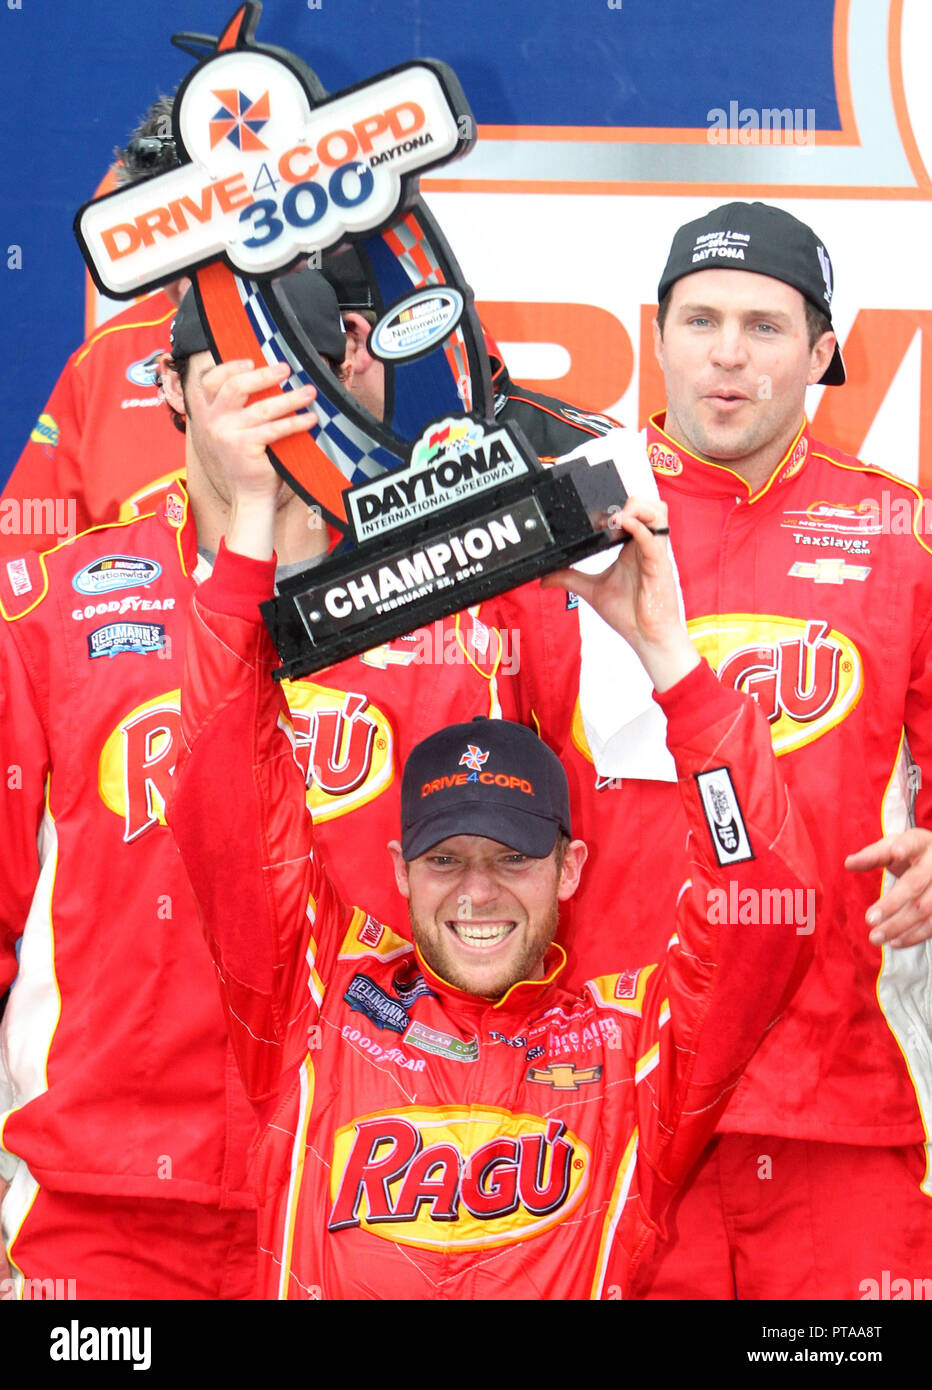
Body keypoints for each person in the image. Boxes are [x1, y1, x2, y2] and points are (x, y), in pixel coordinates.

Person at [165, 355, 817, 1297]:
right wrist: (254, 517)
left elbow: (766, 912)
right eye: (445, 858)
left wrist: (674, 666)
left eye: (512, 858)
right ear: (397, 869)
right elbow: (221, 797)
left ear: (570, 869)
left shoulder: (634, 1053)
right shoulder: (311, 1011)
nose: (476, 890)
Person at [0, 269, 515, 1299]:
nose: (267, 400)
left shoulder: (451, 611)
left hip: (364, 1185)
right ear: (170, 387)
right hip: (103, 1197)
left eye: (296, 369)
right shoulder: (50, 608)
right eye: (227, 371)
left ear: (352, 365)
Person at [527, 201, 932, 1298]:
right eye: (698, 319)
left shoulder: (898, 534)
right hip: (610, 1099)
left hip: (835, 1099)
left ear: (822, 351)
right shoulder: (563, 524)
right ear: (654, 333)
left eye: (763, 326)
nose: (725, 354)